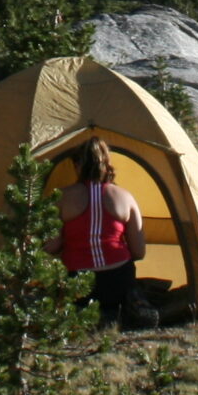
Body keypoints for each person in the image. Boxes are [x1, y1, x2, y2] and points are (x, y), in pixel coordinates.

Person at [49, 138, 154, 328]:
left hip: (79, 283)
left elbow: (52, 245)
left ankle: (84, 315)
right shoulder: (125, 197)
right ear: (107, 164)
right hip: (119, 281)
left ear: (77, 165)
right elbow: (139, 251)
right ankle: (128, 308)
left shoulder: (61, 198)